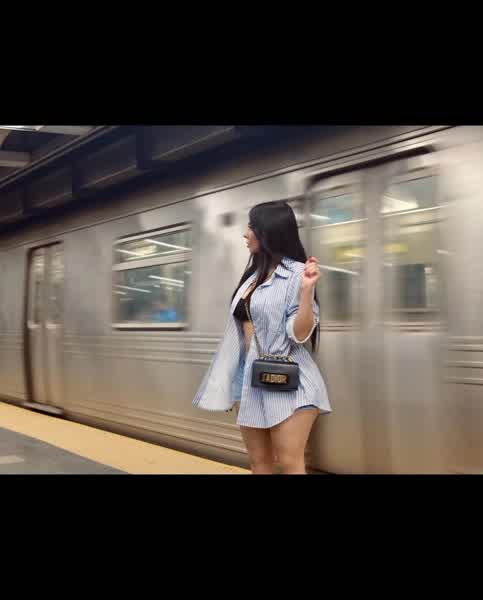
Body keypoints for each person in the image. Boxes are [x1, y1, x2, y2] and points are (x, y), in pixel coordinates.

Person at [193, 200, 331, 474]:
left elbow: (300, 334)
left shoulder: (297, 274)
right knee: (260, 464)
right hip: (247, 377)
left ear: (269, 231)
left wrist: (306, 291)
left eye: (251, 227)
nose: (246, 234)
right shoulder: (253, 276)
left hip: (287, 378)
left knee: (290, 463)